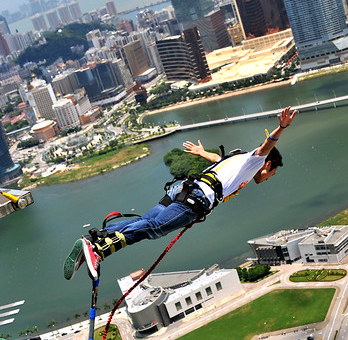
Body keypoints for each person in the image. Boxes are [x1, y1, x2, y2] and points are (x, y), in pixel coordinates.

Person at [63, 106, 297, 281]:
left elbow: (219, 160)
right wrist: (283, 128)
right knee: (154, 229)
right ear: (268, 166)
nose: (266, 179)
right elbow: (268, 145)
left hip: (182, 188)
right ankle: (99, 250)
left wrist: (202, 153)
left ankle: (94, 238)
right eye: (271, 174)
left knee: (146, 221)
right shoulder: (256, 162)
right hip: (196, 199)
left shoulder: (240, 160)